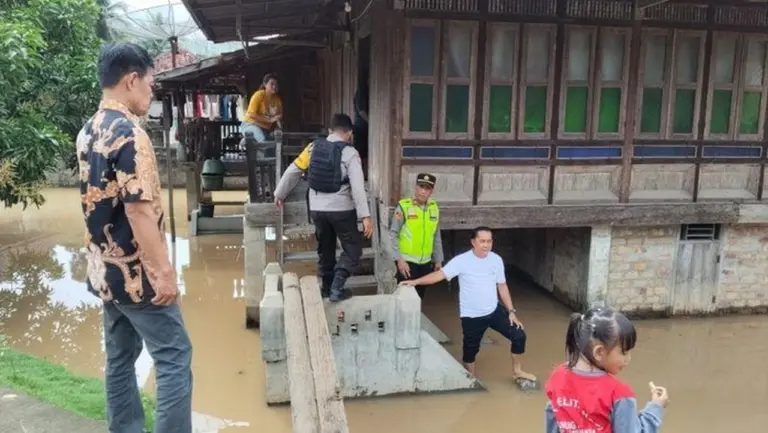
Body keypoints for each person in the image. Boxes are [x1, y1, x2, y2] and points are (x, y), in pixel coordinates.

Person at [76, 43, 193, 433]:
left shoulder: (88, 130)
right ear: (131, 80)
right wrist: (164, 273)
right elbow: (139, 211)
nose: (151, 91)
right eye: (150, 83)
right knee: (174, 356)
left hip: (104, 272)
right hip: (138, 276)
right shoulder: (130, 134)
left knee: (120, 359)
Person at [400, 227, 536, 383]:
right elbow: (439, 275)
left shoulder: (496, 260)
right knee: (470, 353)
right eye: (482, 241)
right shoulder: (461, 261)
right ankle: (472, 378)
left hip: (493, 310)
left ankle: (517, 371)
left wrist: (511, 311)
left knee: (519, 335)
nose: (486, 245)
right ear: (473, 242)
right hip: (471, 316)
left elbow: (502, 286)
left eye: (489, 241)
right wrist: (416, 282)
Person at [273, 113, 373, 302]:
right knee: (353, 249)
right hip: (342, 209)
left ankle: (326, 288)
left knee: (325, 249)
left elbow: (293, 170)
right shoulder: (350, 153)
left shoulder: (313, 147)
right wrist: (365, 216)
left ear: (329, 131)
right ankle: (337, 287)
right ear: (349, 133)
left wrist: (279, 194)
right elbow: (358, 188)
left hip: (317, 210)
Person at [544, 307, 669, 433]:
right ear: (599, 352)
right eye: (624, 352)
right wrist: (655, 408)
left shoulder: (557, 378)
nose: (628, 359)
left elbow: (553, 417)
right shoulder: (619, 394)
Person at [389, 173, 444, 301]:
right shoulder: (404, 206)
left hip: (426, 263)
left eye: (427, 188)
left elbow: (436, 236)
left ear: (432, 191)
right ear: (415, 187)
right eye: (421, 187)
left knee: (419, 298)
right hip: (407, 263)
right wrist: (399, 259)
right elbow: (393, 233)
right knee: (404, 298)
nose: (423, 191)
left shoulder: (434, 208)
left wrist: (438, 260)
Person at [242, 73, 283, 142]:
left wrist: (280, 128)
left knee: (276, 141)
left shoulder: (277, 100)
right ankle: (246, 139)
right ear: (265, 84)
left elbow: (278, 117)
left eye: (276, 84)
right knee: (262, 140)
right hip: (250, 124)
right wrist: (269, 120)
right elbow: (251, 114)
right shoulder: (259, 95)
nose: (274, 86)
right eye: (272, 84)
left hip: (265, 128)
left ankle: (246, 141)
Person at [353, 76, 369, 175]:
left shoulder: (364, 91)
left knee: (364, 152)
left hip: (362, 125)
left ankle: (364, 173)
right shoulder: (361, 92)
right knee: (361, 152)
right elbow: (362, 111)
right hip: (361, 126)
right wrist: (370, 122)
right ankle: (361, 173)